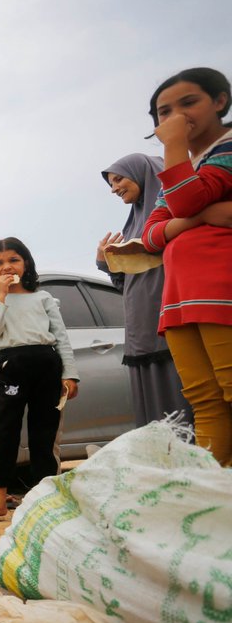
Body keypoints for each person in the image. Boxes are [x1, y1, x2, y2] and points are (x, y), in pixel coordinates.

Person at [138, 67, 232, 466]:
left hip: (221, 290)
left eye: (188, 102)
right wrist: (201, 217)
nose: (175, 116)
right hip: (179, 300)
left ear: (220, 101)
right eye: (164, 112)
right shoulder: (185, 167)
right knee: (204, 399)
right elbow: (151, 235)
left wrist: (173, 147)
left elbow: (185, 199)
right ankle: (216, 493)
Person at [0, 238, 80, 523]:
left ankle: (46, 500)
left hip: (47, 363)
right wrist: (0, 297)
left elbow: (61, 337)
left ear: (26, 263)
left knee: (45, 434)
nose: (7, 266)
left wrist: (69, 373)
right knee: (3, 432)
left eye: (14, 260)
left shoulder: (43, 298)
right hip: (11, 364)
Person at [95, 154, 192, 429]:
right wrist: (105, 261)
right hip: (141, 326)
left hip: (172, 314)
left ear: (142, 175)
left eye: (118, 179)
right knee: (153, 407)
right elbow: (128, 283)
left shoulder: (173, 212)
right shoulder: (133, 224)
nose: (114, 188)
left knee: (183, 390)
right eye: (111, 183)